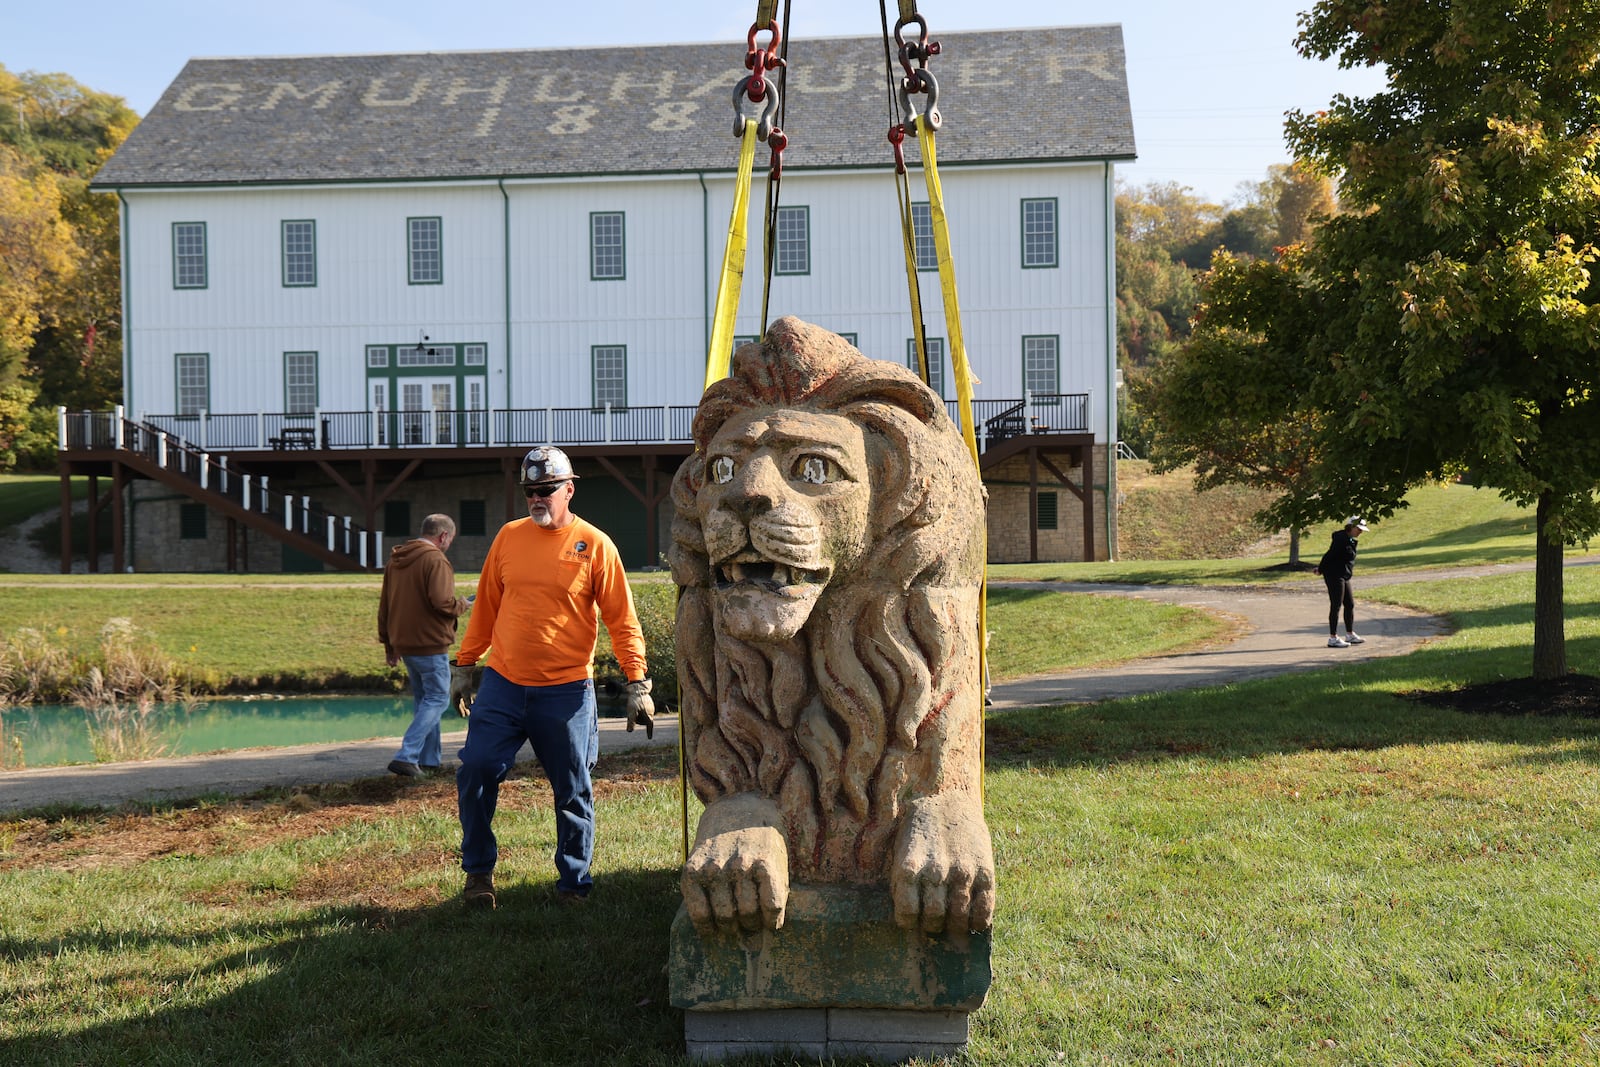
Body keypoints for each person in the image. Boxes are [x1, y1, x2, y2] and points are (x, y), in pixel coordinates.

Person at [452, 446, 654, 909]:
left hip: (566, 691)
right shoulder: (508, 537)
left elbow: (622, 620)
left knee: (572, 787)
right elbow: (485, 606)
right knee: (477, 769)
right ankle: (479, 875)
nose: (537, 499)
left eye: (545, 490)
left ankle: (573, 884)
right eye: (529, 492)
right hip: (503, 683)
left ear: (568, 489)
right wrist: (465, 666)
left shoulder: (595, 544)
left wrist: (637, 681)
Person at [377, 513, 470, 777]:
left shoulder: (396, 560)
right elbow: (442, 602)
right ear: (443, 536)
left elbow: (384, 605)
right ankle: (407, 755)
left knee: (424, 701)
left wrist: (388, 643)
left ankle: (429, 760)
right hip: (430, 643)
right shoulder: (435, 560)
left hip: (404, 644)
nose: (449, 544)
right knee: (438, 699)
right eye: (450, 539)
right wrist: (463, 604)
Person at [1314, 516, 1368, 648]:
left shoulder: (1348, 539)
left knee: (1349, 604)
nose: (1360, 532)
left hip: (1344, 575)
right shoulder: (1341, 540)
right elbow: (1329, 555)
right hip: (1334, 575)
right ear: (1351, 527)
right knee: (1336, 604)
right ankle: (1333, 638)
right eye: (1359, 529)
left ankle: (1349, 634)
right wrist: (1320, 569)